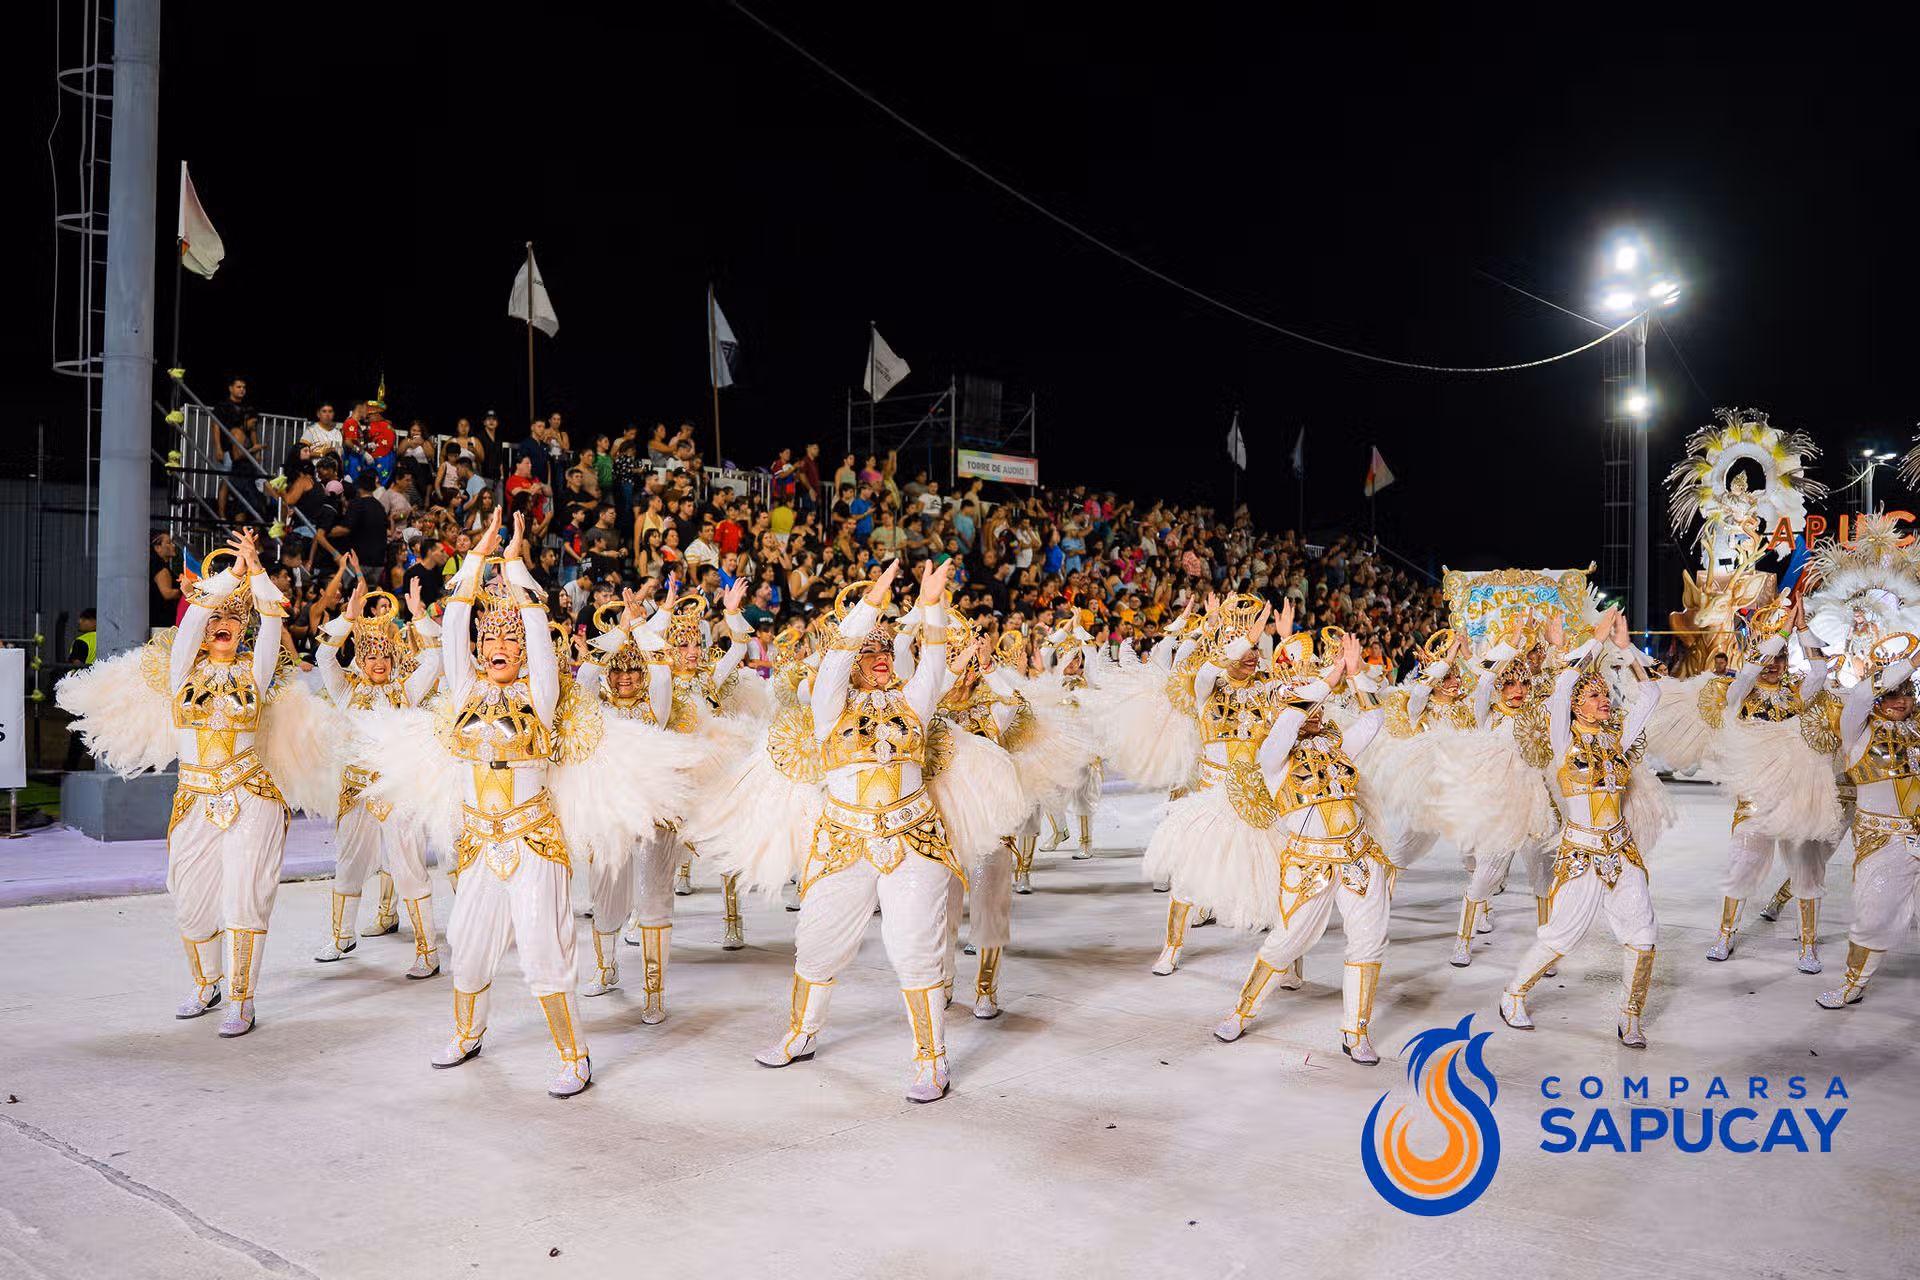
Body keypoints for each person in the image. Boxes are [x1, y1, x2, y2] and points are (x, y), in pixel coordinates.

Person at [751, 559, 964, 1102]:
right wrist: (870, 605)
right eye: (866, 651)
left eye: (885, 648)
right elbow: (832, 664)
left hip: (912, 838)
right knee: (817, 942)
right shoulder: (828, 708)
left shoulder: (915, 702)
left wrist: (931, 602)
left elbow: (935, 661)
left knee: (915, 946)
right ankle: (802, 1033)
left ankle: (932, 1059)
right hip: (843, 841)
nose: (878, 659)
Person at [421, 510, 592, 1097]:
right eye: (489, 638)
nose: (498, 646)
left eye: (509, 639)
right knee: (467, 945)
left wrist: (515, 566)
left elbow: (542, 644)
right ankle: (468, 1034)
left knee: (544, 947)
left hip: (532, 839)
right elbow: (451, 630)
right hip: (478, 841)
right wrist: (476, 556)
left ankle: (573, 1056)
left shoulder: (539, 697)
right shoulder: (465, 690)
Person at [1500, 609, 1667, 1047]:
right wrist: (1595, 642)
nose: (1604, 700)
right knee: (1561, 937)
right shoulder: (1562, 739)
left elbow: (1649, 697)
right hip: (1581, 853)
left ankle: (1630, 1017)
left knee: (1644, 935)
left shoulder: (1617, 739)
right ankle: (1513, 994)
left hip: (1621, 851)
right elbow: (1561, 687)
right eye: (1593, 696)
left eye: (1605, 694)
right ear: (1576, 704)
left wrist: (1626, 650)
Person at [312, 579, 444, 977]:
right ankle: (341, 937)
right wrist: (347, 618)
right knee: (348, 863)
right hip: (354, 791)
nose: (378, 663)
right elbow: (323, 657)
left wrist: (419, 615)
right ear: (360, 659)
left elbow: (435, 660)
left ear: (394, 656)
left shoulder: (408, 689)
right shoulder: (346, 691)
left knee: (408, 868)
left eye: (385, 655)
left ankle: (427, 951)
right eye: (370, 656)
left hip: (396, 791)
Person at [1816, 639, 1920, 1009]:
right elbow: (1860, 696)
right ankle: (1852, 984)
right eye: (1891, 693)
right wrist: (1913, 659)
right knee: (1872, 916)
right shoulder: (1857, 729)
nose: (1900, 701)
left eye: (1906, 693)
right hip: (1882, 842)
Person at [150, 532, 182, 632]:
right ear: (157, 548)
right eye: (168, 543)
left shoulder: (159, 567)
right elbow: (167, 593)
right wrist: (186, 590)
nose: (173, 545)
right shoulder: (161, 569)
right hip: (163, 621)